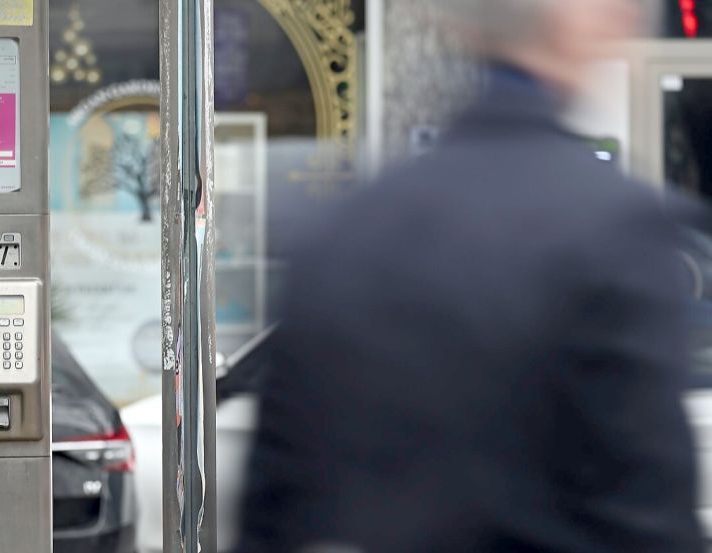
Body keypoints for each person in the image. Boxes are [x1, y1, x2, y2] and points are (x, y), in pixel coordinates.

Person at [236, 0, 707, 551]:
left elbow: (275, 508)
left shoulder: (341, 230)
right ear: (575, 24)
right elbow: (647, 513)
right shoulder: (616, 228)